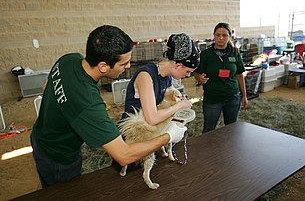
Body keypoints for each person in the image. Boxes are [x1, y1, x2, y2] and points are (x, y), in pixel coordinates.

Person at [30, 25, 188, 188]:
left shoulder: (69, 59)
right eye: (124, 63)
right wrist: (169, 136)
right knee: (64, 191)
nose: (128, 67)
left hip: (40, 135)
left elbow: (46, 86)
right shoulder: (89, 103)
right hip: (58, 155)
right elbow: (124, 155)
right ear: (103, 66)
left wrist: (65, 108)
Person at [122, 33, 200, 126]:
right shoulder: (146, 76)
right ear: (178, 65)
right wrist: (180, 105)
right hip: (136, 132)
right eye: (187, 71)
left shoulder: (167, 77)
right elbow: (152, 119)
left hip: (150, 130)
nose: (188, 75)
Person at [194, 22, 248, 133]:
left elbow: (239, 75)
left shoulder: (235, 53)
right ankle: (208, 150)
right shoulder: (206, 54)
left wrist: (244, 96)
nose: (221, 38)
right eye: (218, 35)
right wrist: (199, 78)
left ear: (230, 37)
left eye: (224, 35)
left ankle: (229, 149)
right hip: (212, 99)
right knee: (209, 130)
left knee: (232, 129)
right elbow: (196, 72)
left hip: (232, 97)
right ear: (213, 36)